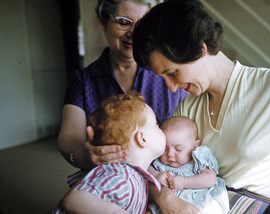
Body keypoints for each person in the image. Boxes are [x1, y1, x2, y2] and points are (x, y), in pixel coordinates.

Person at [132, 0, 270, 213]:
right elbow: (156, 169)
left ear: (199, 48)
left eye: (173, 73)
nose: (172, 88)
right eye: (163, 78)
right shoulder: (186, 110)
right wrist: (166, 197)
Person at [58, 0, 188, 170]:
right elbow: (69, 135)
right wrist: (80, 154)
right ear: (103, 22)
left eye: (142, 24)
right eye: (124, 22)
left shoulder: (169, 74)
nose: (133, 33)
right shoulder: (82, 81)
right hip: (109, 181)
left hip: (167, 180)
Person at [53, 93, 166, 214]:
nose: (161, 128)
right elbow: (74, 200)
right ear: (142, 139)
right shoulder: (121, 176)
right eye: (156, 125)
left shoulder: (135, 178)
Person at [148, 116, 229, 214]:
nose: (170, 154)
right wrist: (156, 174)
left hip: (198, 202)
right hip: (166, 207)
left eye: (178, 149)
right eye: (165, 148)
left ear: (195, 146)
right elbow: (145, 169)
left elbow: (211, 179)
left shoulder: (198, 157)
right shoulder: (159, 161)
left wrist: (184, 182)